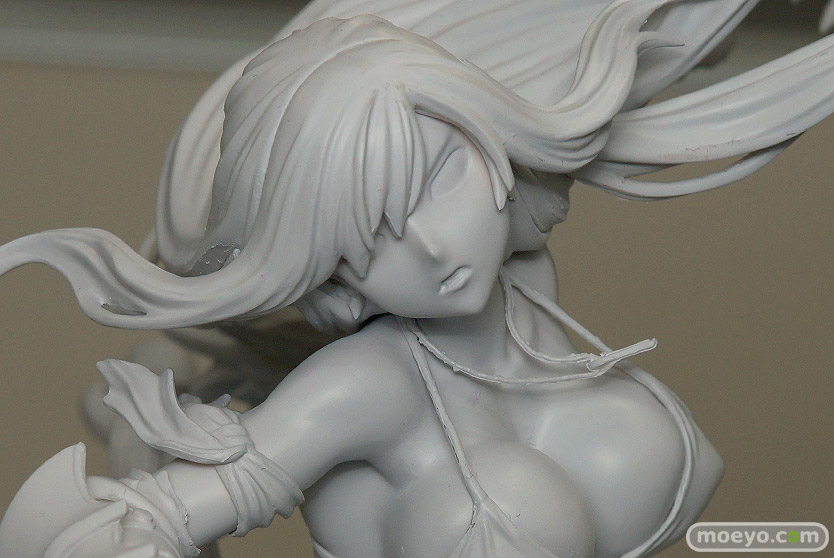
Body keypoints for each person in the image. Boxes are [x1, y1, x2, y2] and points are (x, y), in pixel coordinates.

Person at [1, 1, 834, 557]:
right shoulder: (369, 383)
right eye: (369, 238)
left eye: (441, 175)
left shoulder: (522, 282)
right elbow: (165, 517)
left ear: (486, 132)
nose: (434, 248)